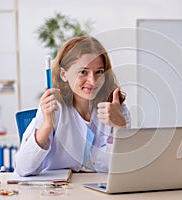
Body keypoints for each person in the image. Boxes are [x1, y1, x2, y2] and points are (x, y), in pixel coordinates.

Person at [14, 36, 131, 176]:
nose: (92, 80)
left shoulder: (116, 107)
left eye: (99, 72)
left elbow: (128, 168)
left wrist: (120, 127)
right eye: (83, 72)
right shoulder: (54, 108)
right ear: (64, 74)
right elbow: (23, 168)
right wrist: (46, 126)